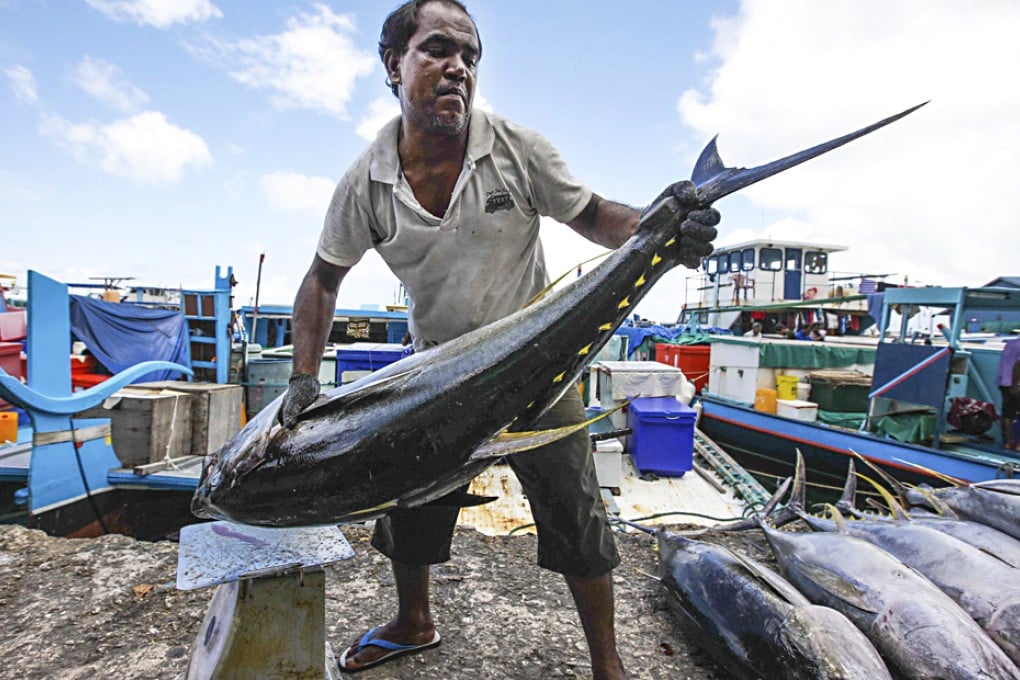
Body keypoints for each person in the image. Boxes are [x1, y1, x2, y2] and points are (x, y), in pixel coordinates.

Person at [278, 1, 719, 677]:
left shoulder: (516, 148)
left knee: (575, 509)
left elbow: (594, 215)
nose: (458, 67)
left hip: (538, 365)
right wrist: (303, 378)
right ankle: (414, 621)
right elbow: (322, 279)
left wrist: (657, 231)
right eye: (438, 50)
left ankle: (607, 663)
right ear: (394, 64)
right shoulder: (367, 180)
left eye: (470, 56)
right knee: (409, 504)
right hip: (435, 374)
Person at [997, 337, 1020, 451]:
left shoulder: (1010, 344)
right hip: (1014, 383)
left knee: (1008, 413)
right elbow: (1018, 366)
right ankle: (1018, 444)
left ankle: (1008, 442)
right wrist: (1015, 384)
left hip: (1003, 382)